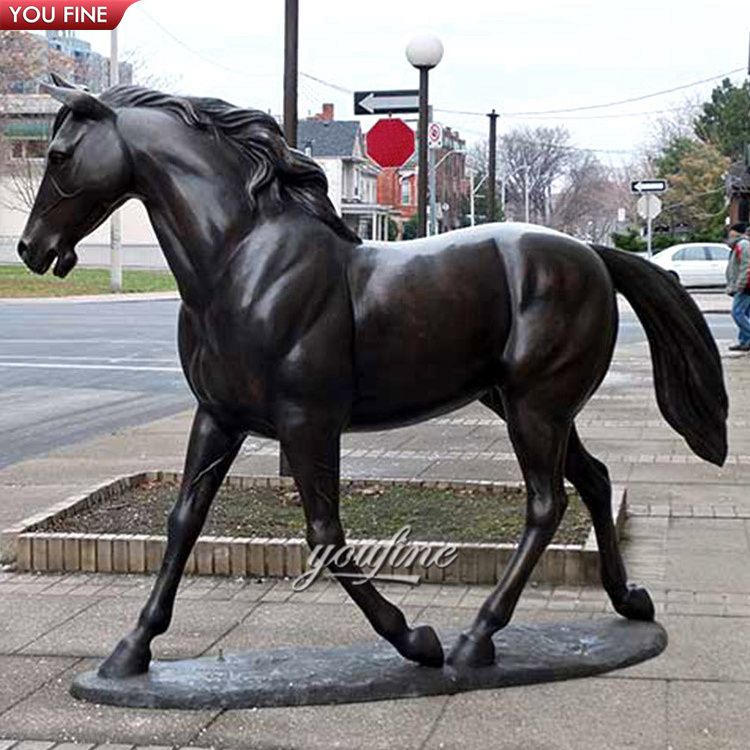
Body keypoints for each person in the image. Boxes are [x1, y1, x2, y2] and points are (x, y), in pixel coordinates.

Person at [726, 222, 750, 352]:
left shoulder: (743, 245)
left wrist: (740, 284)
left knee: (738, 313)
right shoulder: (738, 245)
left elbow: (747, 266)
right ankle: (745, 341)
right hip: (744, 284)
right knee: (745, 313)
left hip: (745, 286)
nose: (729, 233)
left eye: (731, 231)